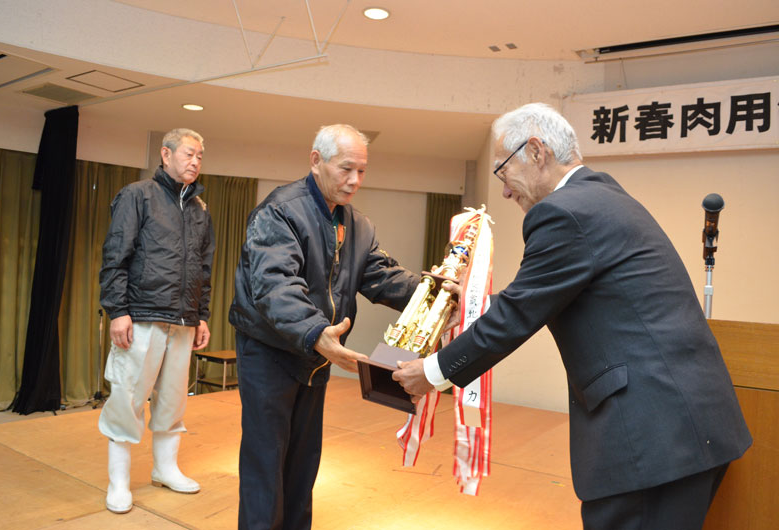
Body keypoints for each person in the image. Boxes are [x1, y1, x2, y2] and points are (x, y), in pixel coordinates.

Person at [393, 103, 752, 530]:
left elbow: (518, 315)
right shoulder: (603, 197)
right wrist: (473, 307)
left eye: (503, 173)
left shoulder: (564, 212)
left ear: (536, 151)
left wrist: (432, 373)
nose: (504, 192)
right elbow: (546, 293)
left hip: (650, 440)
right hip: (684, 428)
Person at [229, 124, 420, 529]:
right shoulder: (280, 210)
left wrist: (436, 295)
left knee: (302, 464)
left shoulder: (357, 225)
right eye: (346, 168)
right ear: (316, 161)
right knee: (267, 463)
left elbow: (384, 277)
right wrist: (318, 333)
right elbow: (275, 285)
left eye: (362, 172)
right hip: (270, 351)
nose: (354, 181)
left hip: (315, 353)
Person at [98, 128, 214, 514]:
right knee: (128, 397)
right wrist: (117, 310)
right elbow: (116, 255)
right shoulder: (138, 195)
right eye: (189, 154)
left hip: (183, 320)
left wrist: (201, 316)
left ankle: (165, 469)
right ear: (166, 154)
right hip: (141, 316)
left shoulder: (200, 209)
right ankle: (118, 483)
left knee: (173, 401)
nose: (195, 162)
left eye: (200, 156)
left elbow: (203, 268)